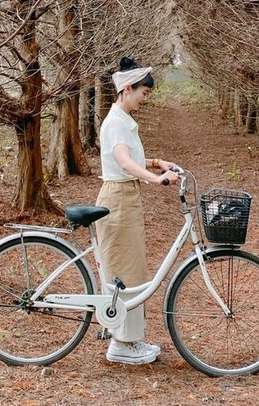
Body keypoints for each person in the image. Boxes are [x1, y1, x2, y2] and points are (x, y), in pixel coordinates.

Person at [95, 56, 179, 365]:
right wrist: (157, 179)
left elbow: (130, 159)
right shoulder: (117, 121)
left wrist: (157, 162)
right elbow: (124, 162)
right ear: (128, 89)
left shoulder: (122, 119)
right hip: (118, 200)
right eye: (143, 94)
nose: (145, 100)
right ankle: (122, 344)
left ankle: (128, 339)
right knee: (125, 272)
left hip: (125, 197)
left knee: (130, 269)